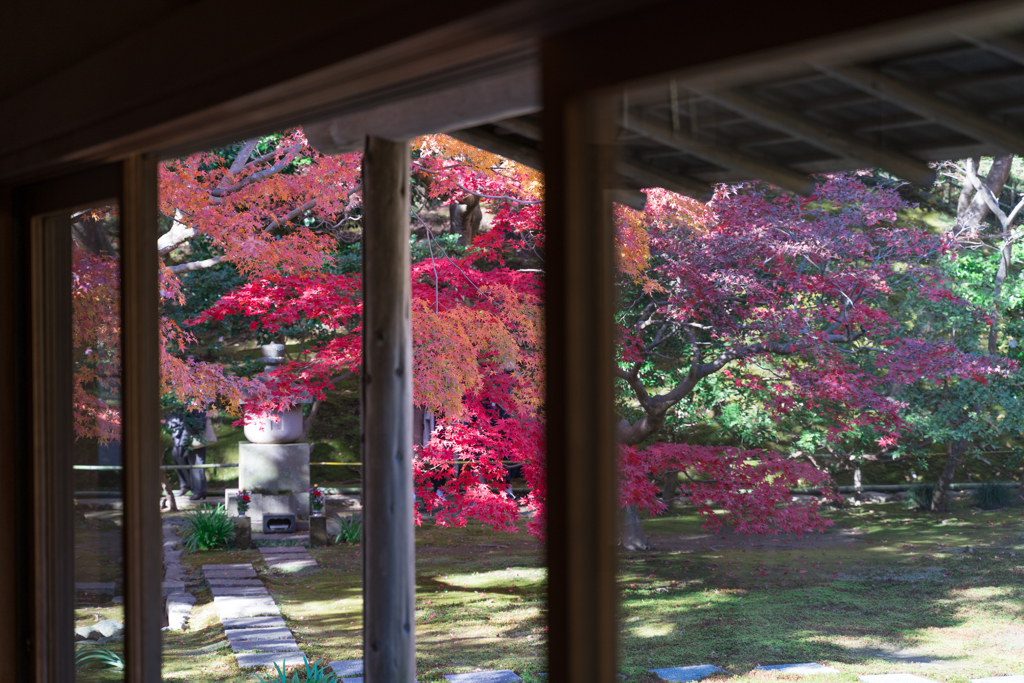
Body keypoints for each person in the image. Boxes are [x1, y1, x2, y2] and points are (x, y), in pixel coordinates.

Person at [166, 408, 214, 500]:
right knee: (176, 455)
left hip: (196, 435)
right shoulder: (179, 403)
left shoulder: (198, 402)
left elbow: (200, 421)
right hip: (181, 435)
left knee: (197, 462)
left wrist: (189, 424)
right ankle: (185, 485)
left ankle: (200, 491)